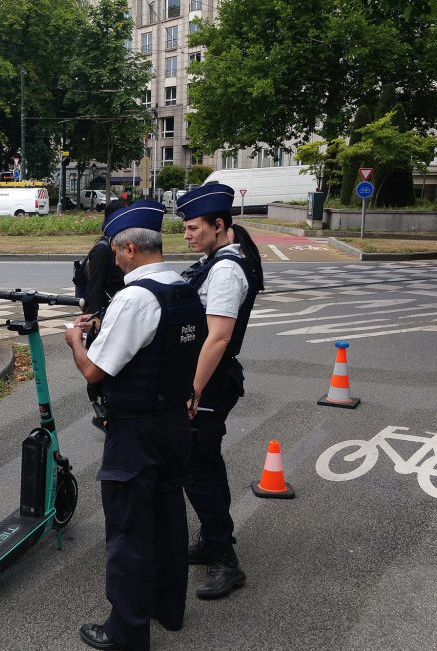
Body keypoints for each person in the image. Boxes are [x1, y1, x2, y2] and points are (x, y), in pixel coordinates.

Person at [64, 200, 206, 650]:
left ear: (128, 248)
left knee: (128, 529)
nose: (114, 260)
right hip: (173, 423)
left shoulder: (134, 297)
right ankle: (170, 609)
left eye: (115, 251)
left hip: (135, 431)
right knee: (168, 518)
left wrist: (75, 340)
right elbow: (162, 348)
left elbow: (95, 371)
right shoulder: (183, 290)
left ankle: (125, 632)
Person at [177, 183, 264, 600]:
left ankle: (226, 560)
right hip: (204, 379)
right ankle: (212, 540)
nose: (187, 234)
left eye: (194, 227)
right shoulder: (214, 260)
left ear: (219, 224)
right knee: (199, 464)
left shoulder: (227, 269)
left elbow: (218, 338)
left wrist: (193, 390)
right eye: (185, 228)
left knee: (201, 466)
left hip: (209, 381)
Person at [73, 200, 128, 316]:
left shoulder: (121, 245)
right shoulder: (103, 250)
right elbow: (95, 289)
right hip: (105, 314)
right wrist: (95, 319)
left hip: (116, 312)